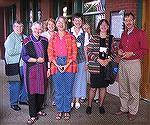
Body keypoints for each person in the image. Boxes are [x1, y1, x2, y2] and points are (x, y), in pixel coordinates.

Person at [115, 12, 148, 121]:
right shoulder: (123, 34)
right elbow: (120, 47)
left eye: (130, 20)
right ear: (124, 22)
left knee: (133, 89)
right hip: (123, 63)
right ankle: (124, 108)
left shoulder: (141, 33)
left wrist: (132, 53)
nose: (128, 22)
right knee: (123, 87)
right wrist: (119, 51)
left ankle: (133, 111)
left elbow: (145, 50)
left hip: (134, 63)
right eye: (126, 20)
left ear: (134, 21)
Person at [47, 16, 77, 120]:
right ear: (56, 24)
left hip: (69, 64)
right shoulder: (52, 37)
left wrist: (66, 65)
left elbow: (74, 54)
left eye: (62, 22)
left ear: (65, 24)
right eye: (58, 22)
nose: (60, 24)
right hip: (56, 64)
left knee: (68, 90)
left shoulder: (71, 37)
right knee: (59, 90)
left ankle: (67, 110)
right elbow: (50, 53)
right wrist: (56, 64)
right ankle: (60, 110)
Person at [21, 21, 48, 124]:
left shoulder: (45, 40)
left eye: (39, 29)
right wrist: (36, 60)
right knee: (32, 92)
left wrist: (49, 68)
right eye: (35, 29)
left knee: (41, 91)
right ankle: (32, 115)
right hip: (31, 70)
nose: (37, 31)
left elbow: (48, 56)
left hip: (43, 70)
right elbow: (24, 56)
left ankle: (39, 110)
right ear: (31, 29)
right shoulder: (26, 41)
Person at [86, 19, 115, 114]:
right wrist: (98, 59)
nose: (103, 26)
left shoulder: (111, 38)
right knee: (93, 88)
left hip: (106, 68)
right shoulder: (94, 37)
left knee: (103, 87)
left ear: (108, 27)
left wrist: (108, 60)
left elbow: (114, 52)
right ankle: (89, 105)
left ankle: (101, 105)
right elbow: (89, 51)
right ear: (99, 27)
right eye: (101, 25)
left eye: (105, 25)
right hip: (95, 67)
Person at [4, 20, 28, 111]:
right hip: (13, 65)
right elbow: (10, 52)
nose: (19, 28)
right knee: (14, 84)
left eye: (21, 26)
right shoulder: (10, 38)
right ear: (14, 28)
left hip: (24, 65)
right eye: (17, 27)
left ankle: (22, 99)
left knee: (25, 83)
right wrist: (21, 49)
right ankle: (13, 103)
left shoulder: (25, 37)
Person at [69, 13, 89, 109]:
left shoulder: (85, 34)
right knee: (71, 80)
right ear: (73, 21)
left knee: (79, 80)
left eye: (79, 20)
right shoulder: (68, 32)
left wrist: (87, 62)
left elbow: (85, 49)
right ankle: (71, 99)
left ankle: (77, 99)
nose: (77, 22)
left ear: (82, 22)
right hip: (70, 61)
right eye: (76, 20)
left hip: (81, 60)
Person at [41, 18, 56, 107]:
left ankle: (53, 99)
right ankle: (43, 101)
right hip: (45, 60)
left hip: (55, 61)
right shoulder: (43, 35)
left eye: (52, 24)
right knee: (45, 82)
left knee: (54, 81)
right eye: (49, 24)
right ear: (47, 26)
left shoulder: (58, 34)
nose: (51, 26)